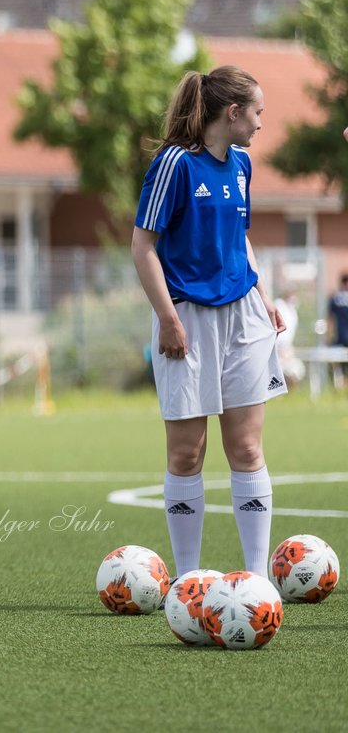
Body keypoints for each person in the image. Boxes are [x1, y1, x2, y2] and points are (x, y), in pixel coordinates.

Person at [131, 65, 286, 580]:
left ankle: (257, 579)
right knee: (186, 452)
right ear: (232, 112)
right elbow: (143, 247)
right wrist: (167, 319)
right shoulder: (174, 164)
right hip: (187, 321)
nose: (262, 124)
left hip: (242, 317)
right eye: (258, 112)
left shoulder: (241, 165)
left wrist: (263, 296)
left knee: (246, 448)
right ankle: (190, 579)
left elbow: (239, 238)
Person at [326, 274, 348, 389]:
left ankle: (340, 385)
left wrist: (328, 336)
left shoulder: (335, 298)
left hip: (340, 337)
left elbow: (330, 318)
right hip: (342, 337)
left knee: (339, 365)